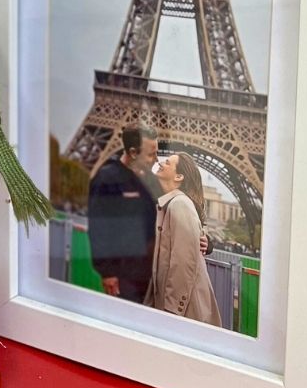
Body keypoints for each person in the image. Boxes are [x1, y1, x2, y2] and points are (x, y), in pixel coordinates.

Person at [146, 152, 222, 326]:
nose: (162, 163)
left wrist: (172, 310)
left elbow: (183, 262)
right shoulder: (170, 202)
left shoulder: (179, 204)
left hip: (182, 311)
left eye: (168, 162)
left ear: (179, 176)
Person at [86, 126, 159, 303]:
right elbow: (98, 227)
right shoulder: (107, 178)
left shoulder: (150, 180)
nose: (156, 159)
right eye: (151, 154)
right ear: (133, 153)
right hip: (123, 275)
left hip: (148, 274)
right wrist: (108, 272)